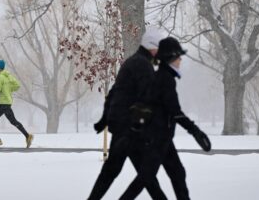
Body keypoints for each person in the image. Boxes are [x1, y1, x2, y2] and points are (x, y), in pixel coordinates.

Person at [119, 37, 211, 200]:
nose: (180, 60)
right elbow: (175, 111)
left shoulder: (162, 77)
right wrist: (195, 131)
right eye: (178, 57)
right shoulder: (165, 80)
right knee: (144, 179)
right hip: (156, 139)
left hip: (162, 138)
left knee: (177, 173)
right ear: (170, 57)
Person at [88, 27, 168, 200]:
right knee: (131, 173)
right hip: (130, 129)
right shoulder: (142, 66)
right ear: (152, 48)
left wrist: (104, 120)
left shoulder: (133, 62)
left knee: (117, 171)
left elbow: (114, 93)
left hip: (124, 127)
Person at [0, 60, 34, 148]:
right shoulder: (9, 76)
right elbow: (17, 85)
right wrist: (9, 89)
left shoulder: (0, 77)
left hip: (4, 102)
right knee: (13, 121)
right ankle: (28, 136)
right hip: (8, 102)